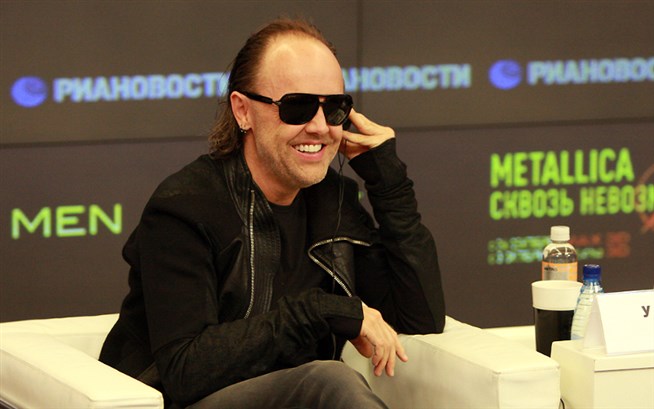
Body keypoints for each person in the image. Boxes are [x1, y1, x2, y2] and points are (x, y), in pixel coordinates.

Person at [100, 18, 445, 409]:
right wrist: (322, 310)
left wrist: (389, 183)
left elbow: (420, 319)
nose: (320, 127)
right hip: (184, 402)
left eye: (334, 108)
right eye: (297, 107)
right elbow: (184, 371)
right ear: (243, 111)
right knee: (330, 381)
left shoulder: (333, 201)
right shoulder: (184, 207)